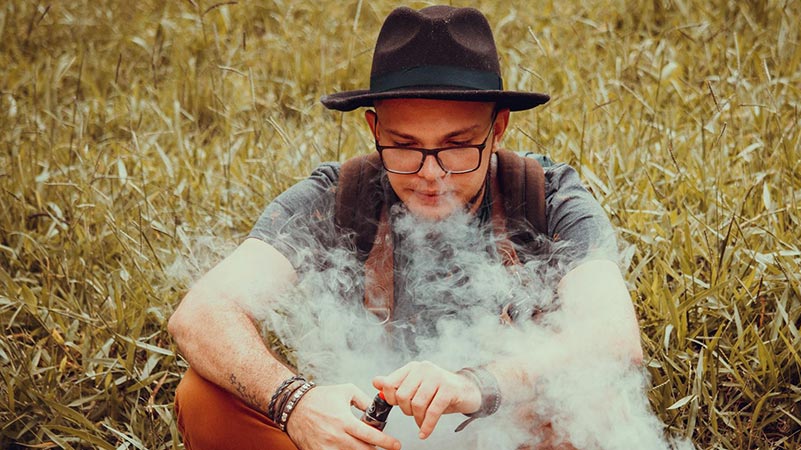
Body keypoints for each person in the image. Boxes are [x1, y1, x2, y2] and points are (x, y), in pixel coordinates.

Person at [168, 5, 643, 450]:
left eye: (457, 145)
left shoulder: (545, 195)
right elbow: (201, 313)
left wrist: (477, 383)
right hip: (373, 437)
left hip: (501, 431)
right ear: (375, 129)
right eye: (404, 145)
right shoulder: (338, 195)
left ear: (498, 128)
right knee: (202, 396)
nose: (430, 173)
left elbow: (613, 338)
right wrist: (296, 403)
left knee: (595, 402)